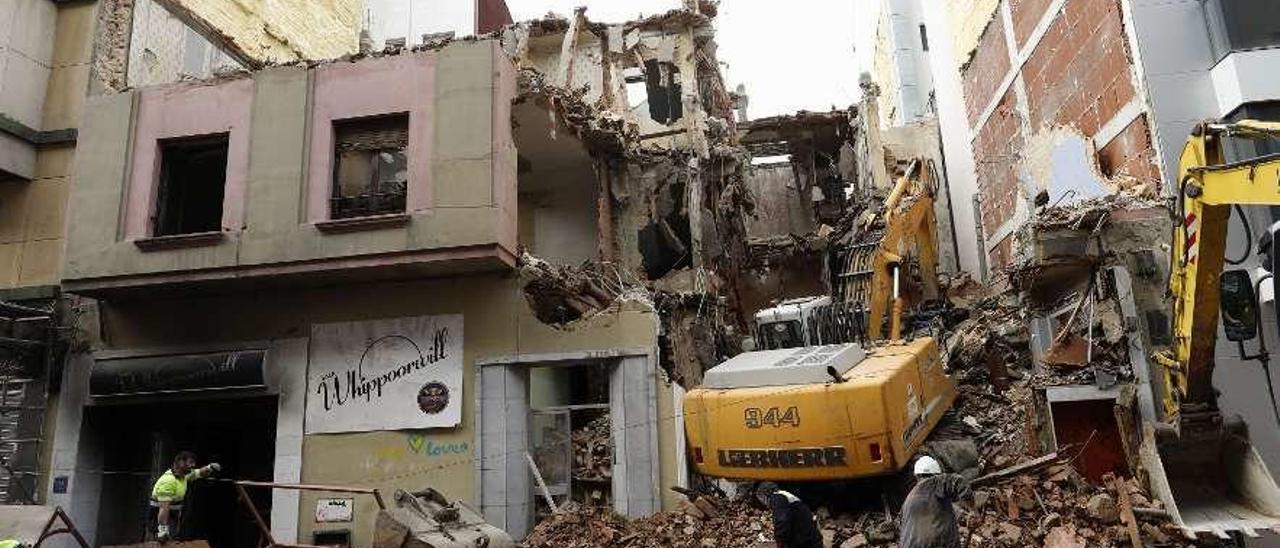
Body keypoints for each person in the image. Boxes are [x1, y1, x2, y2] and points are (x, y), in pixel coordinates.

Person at [899, 455, 970, 548]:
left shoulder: (908, 499)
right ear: (936, 474)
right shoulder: (935, 483)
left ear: (916, 476)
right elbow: (959, 482)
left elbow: (900, 526)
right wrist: (973, 510)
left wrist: (962, 516)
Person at [149, 451, 220, 541]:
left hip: (172, 516)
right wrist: (162, 530)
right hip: (159, 518)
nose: (193, 465)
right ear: (181, 462)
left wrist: (209, 467)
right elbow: (164, 508)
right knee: (163, 542)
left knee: (173, 541)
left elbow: (198, 473)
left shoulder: (183, 476)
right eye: (190, 462)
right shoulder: (168, 481)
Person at [756, 481, 822, 548]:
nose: (763, 503)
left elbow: (782, 519)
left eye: (761, 498)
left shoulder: (778, 497)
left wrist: (780, 539)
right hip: (810, 540)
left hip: (807, 542)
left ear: (767, 493)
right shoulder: (788, 497)